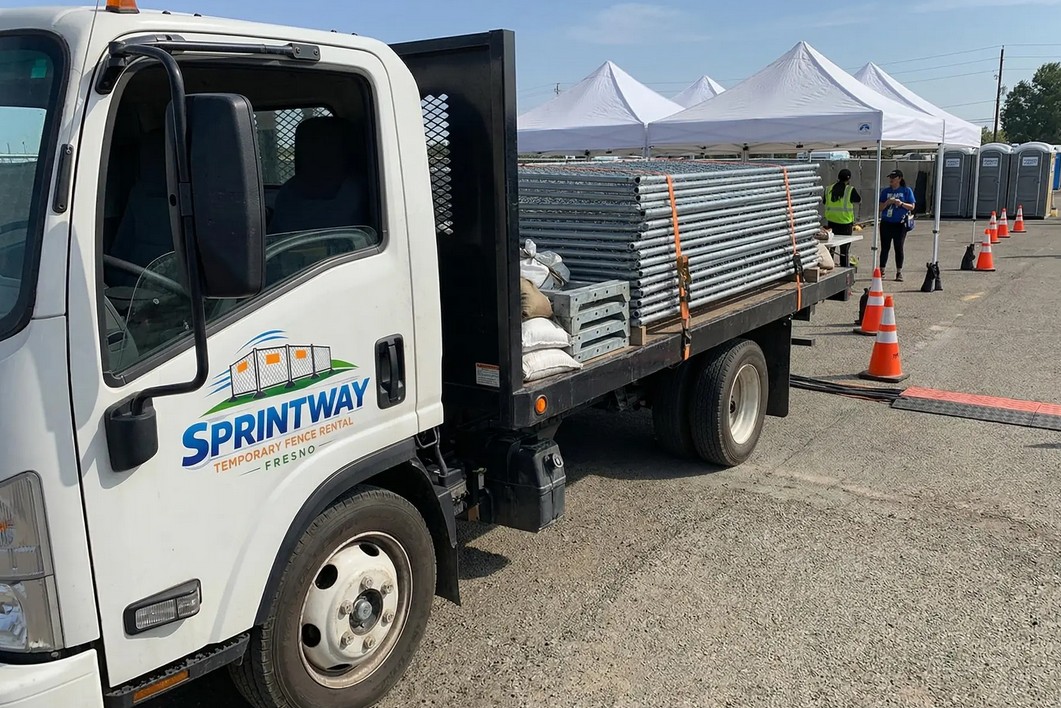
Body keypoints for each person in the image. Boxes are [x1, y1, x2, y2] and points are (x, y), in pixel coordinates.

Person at [878, 169, 915, 282]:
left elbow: (912, 206)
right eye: (890, 178)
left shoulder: (906, 190)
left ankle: (899, 272)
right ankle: (882, 270)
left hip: (900, 224)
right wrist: (887, 202)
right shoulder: (885, 191)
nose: (891, 180)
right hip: (886, 223)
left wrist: (901, 203)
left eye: (893, 178)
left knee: (898, 247)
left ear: (899, 179)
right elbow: (880, 208)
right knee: (885, 247)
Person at [823, 168, 861, 267]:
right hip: (845, 223)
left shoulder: (828, 189)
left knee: (831, 248)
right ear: (849, 179)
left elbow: (824, 202)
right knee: (844, 250)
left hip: (831, 222)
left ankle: (829, 265)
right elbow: (858, 200)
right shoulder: (849, 189)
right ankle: (844, 266)